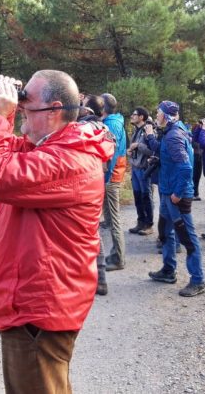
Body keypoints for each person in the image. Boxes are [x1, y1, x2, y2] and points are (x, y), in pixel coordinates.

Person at [0, 72, 114, 393]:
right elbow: (3, 149)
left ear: (53, 110)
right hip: (38, 305)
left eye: (27, 105)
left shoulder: (69, 160)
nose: (20, 109)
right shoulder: (53, 147)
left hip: (40, 310)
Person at [145, 100, 205, 297]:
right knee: (165, 232)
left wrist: (178, 194)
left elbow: (186, 167)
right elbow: (167, 154)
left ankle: (198, 280)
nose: (156, 116)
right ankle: (168, 270)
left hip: (176, 196)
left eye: (158, 113)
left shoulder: (173, 136)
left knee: (187, 238)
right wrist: (149, 140)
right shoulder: (173, 131)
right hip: (167, 191)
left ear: (166, 115)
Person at [78, 94, 110, 295]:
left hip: (84, 185)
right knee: (93, 231)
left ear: (88, 111)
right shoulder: (103, 128)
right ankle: (101, 278)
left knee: (88, 234)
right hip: (96, 182)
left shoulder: (85, 128)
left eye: (81, 106)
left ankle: (93, 279)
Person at [100, 93, 128, 271]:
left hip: (112, 176)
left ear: (103, 107)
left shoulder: (111, 125)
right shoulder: (114, 121)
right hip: (114, 174)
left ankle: (119, 258)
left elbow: (112, 153)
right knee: (110, 218)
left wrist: (106, 177)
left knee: (115, 219)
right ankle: (116, 253)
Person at [128, 106, 155, 236]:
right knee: (137, 196)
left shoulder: (148, 131)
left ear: (141, 117)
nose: (132, 116)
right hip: (135, 168)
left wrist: (138, 145)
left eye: (134, 114)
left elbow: (152, 151)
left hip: (144, 169)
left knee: (146, 197)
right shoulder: (136, 131)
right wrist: (130, 150)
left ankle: (149, 225)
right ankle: (140, 222)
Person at [191, 122, 203, 200]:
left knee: (198, 176)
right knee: (194, 176)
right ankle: (193, 193)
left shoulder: (201, 138)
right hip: (194, 157)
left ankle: (196, 193)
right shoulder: (192, 138)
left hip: (199, 158)